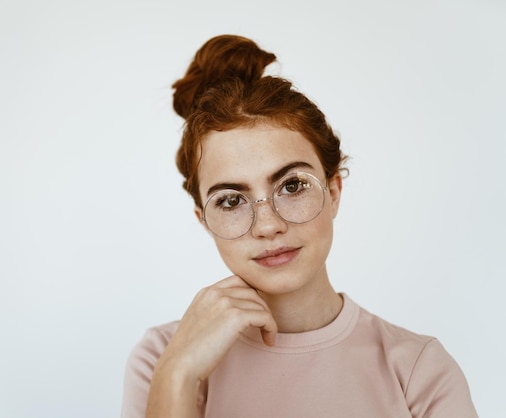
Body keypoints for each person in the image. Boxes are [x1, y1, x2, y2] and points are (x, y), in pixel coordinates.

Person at [120, 34, 477, 418]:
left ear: (334, 191)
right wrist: (178, 375)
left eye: (292, 186)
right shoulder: (164, 357)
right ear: (204, 221)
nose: (268, 226)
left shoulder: (419, 371)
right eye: (230, 200)